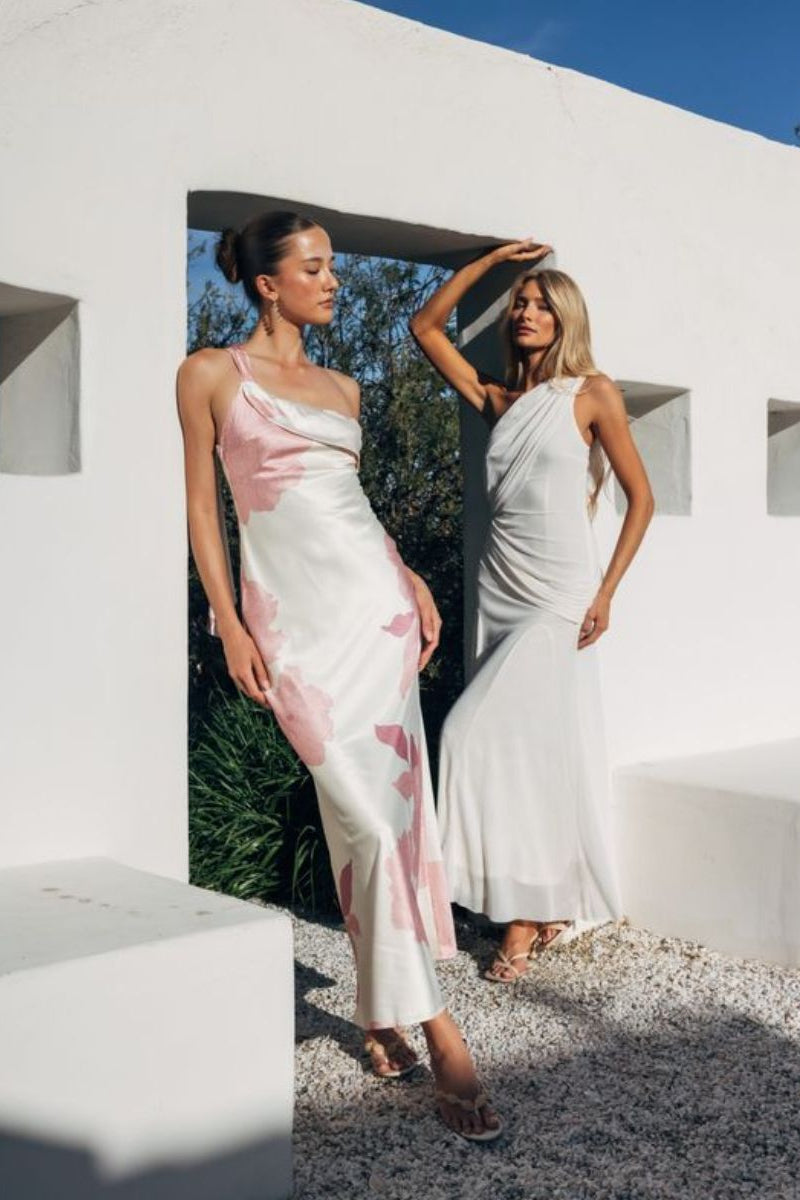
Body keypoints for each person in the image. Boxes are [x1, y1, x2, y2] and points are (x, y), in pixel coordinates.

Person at [175, 210, 502, 1139]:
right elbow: (204, 507)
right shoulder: (209, 375)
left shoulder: (344, 387)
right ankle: (434, 1025)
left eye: (334, 267)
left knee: (384, 818)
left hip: (376, 613)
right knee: (356, 807)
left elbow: (352, 507)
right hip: (295, 625)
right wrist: (230, 621)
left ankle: (401, 1017)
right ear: (267, 282)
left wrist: (413, 580)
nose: (334, 282)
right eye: (315, 268)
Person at [410, 240, 654, 983]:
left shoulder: (593, 393)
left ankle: (520, 919)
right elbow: (424, 329)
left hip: (558, 594)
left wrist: (606, 590)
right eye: (521, 302)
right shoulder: (496, 401)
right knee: (524, 753)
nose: (526, 312)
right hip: (501, 587)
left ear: (565, 319)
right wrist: (489, 266)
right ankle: (530, 905)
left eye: (542, 303)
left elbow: (642, 499)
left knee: (466, 730)